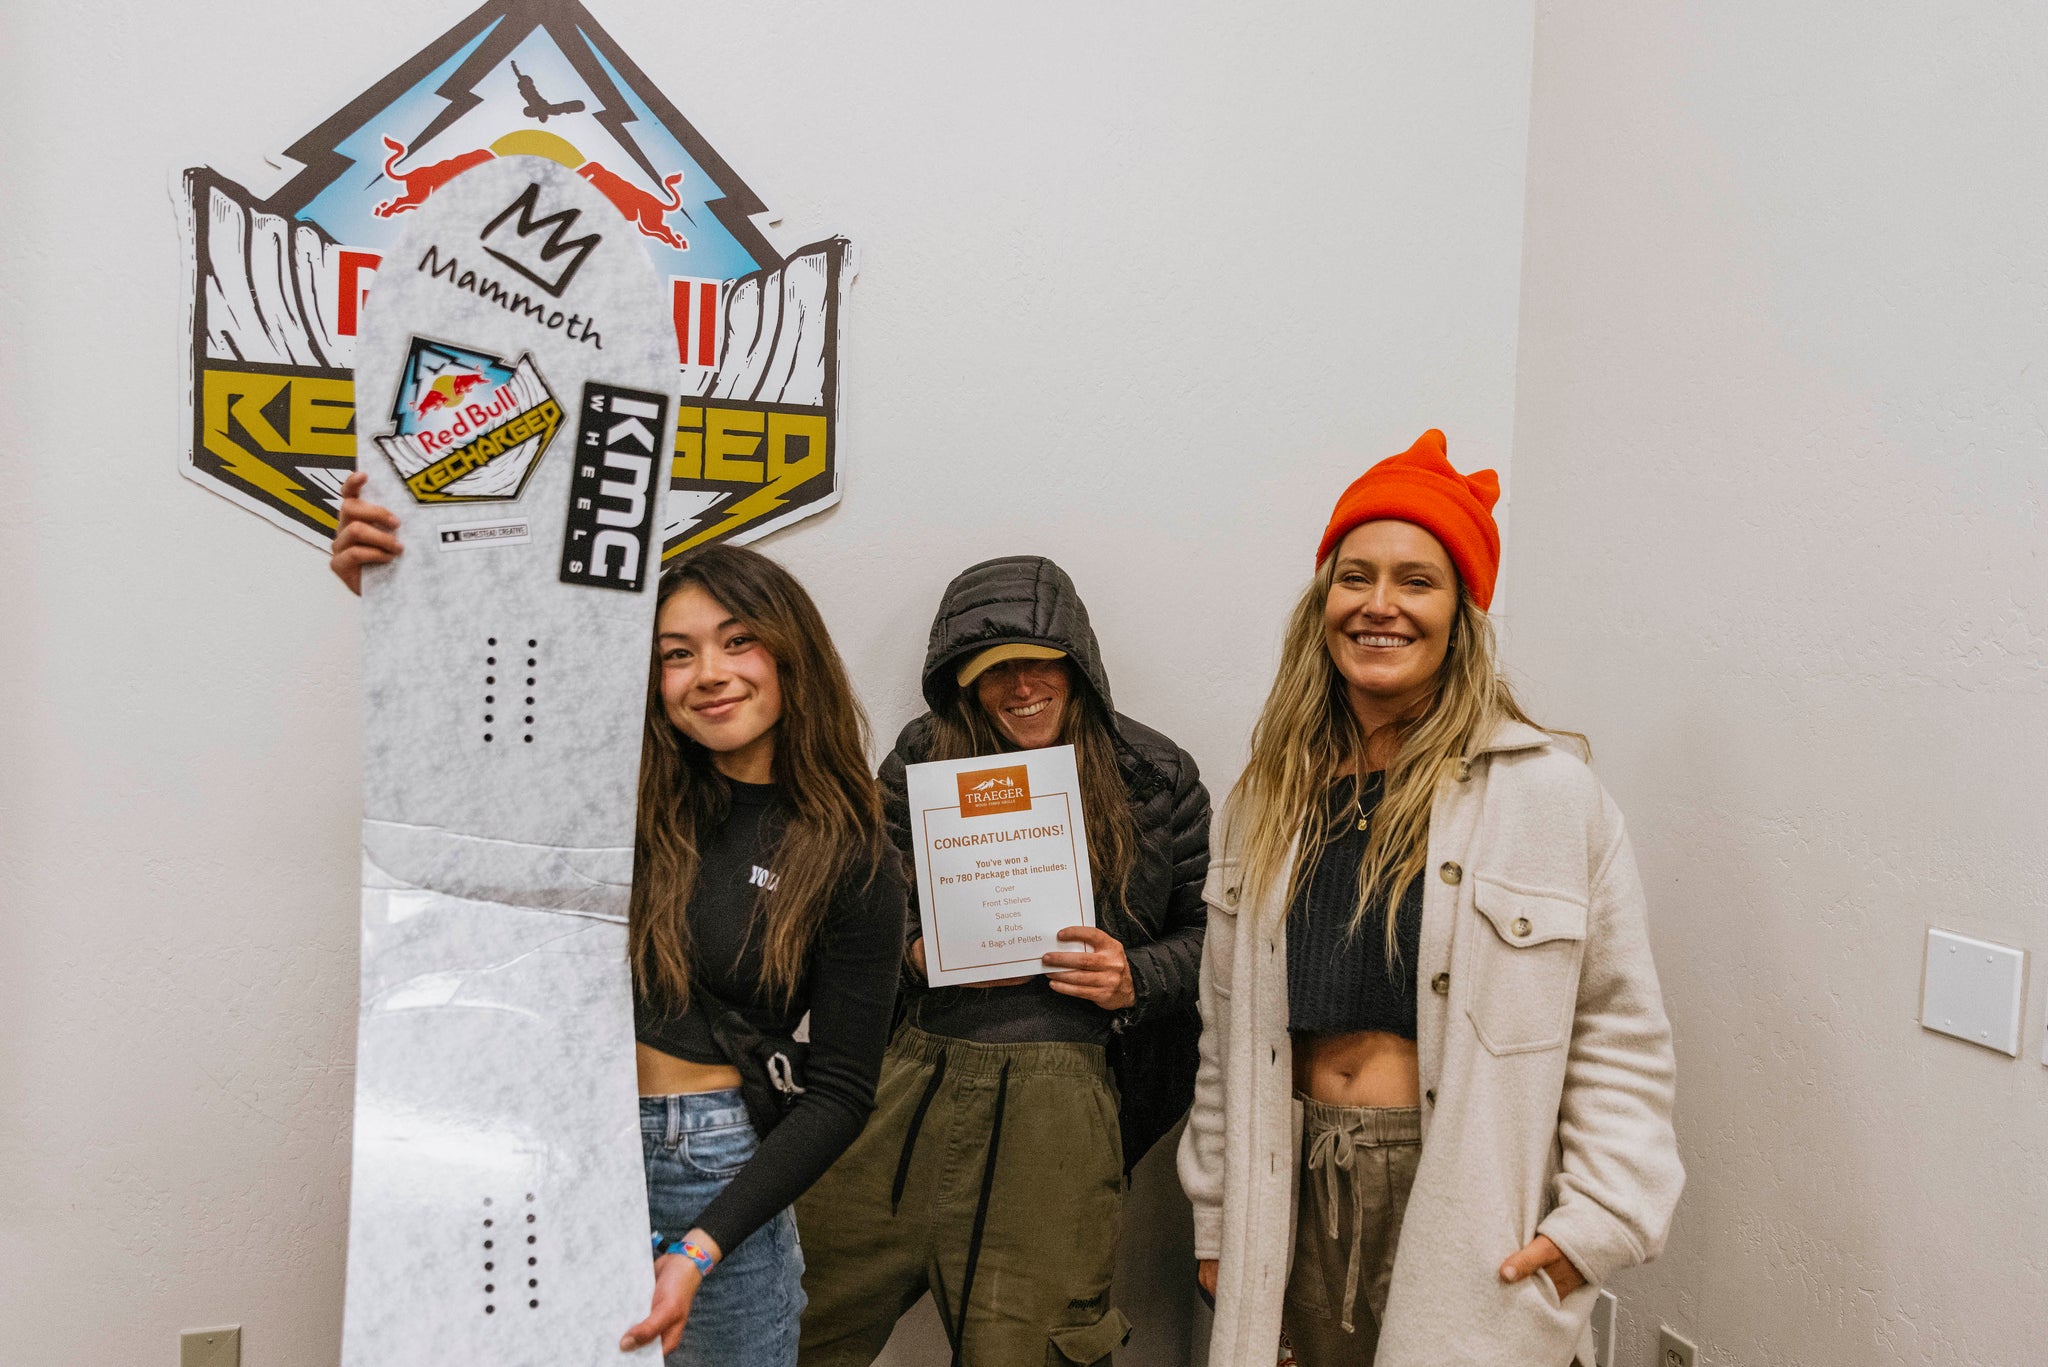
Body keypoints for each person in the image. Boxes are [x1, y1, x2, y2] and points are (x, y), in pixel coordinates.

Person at [330, 476, 907, 1367]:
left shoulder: (851, 849)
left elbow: (839, 1092)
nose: (708, 673)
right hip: (551, 1146)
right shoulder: (614, 796)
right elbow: (468, 748)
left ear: (791, 654)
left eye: (737, 641)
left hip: (713, 1179)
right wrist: (393, 594)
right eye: (676, 654)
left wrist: (699, 1247)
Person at [1178, 432, 1683, 1367]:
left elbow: (1618, 1030)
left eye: (1417, 580)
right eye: (1355, 576)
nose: (1380, 605)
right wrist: (1217, 1216)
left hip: (1460, 1195)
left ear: (1462, 613)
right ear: (1321, 602)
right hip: (1287, 1185)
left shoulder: (1549, 796)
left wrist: (1597, 1226)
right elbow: (1224, 1029)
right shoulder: (1267, 798)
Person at [795, 555, 1211, 1367]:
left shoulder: (1155, 777)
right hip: (906, 1083)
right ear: (963, 684)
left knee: (1034, 1349)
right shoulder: (919, 761)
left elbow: (1215, 943)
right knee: (785, 1317)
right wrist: (918, 952)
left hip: (1068, 1100)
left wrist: (1137, 976)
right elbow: (847, 915)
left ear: (1077, 663)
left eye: (1038, 663)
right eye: (994, 673)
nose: (1021, 687)